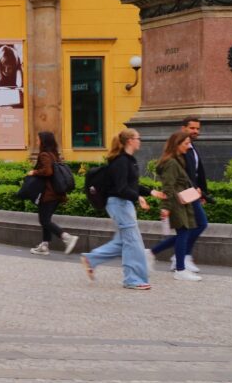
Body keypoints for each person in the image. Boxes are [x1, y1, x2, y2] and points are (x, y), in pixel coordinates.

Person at [82, 129, 162, 290]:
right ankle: (132, 279)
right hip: (119, 204)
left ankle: (91, 259)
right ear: (130, 140)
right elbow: (121, 188)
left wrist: (150, 192)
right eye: (138, 138)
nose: (140, 141)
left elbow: (131, 185)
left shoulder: (127, 160)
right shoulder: (121, 161)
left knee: (123, 241)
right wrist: (137, 197)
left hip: (123, 204)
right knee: (133, 242)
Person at [151, 115, 208, 274]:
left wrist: (202, 192)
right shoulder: (175, 158)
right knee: (189, 229)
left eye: (197, 128)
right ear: (183, 129)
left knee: (189, 229)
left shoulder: (190, 149)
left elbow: (197, 173)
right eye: (192, 128)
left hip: (188, 195)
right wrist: (166, 207)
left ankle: (179, 260)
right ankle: (179, 262)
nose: (195, 131)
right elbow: (170, 184)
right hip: (182, 198)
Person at [28, 131, 78, 256]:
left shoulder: (44, 155)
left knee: (44, 220)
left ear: (43, 141)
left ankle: (67, 237)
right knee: (45, 219)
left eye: (38, 139)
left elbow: (47, 171)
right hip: (57, 193)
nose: (36, 142)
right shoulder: (54, 155)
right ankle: (44, 245)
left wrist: (34, 172)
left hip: (48, 193)